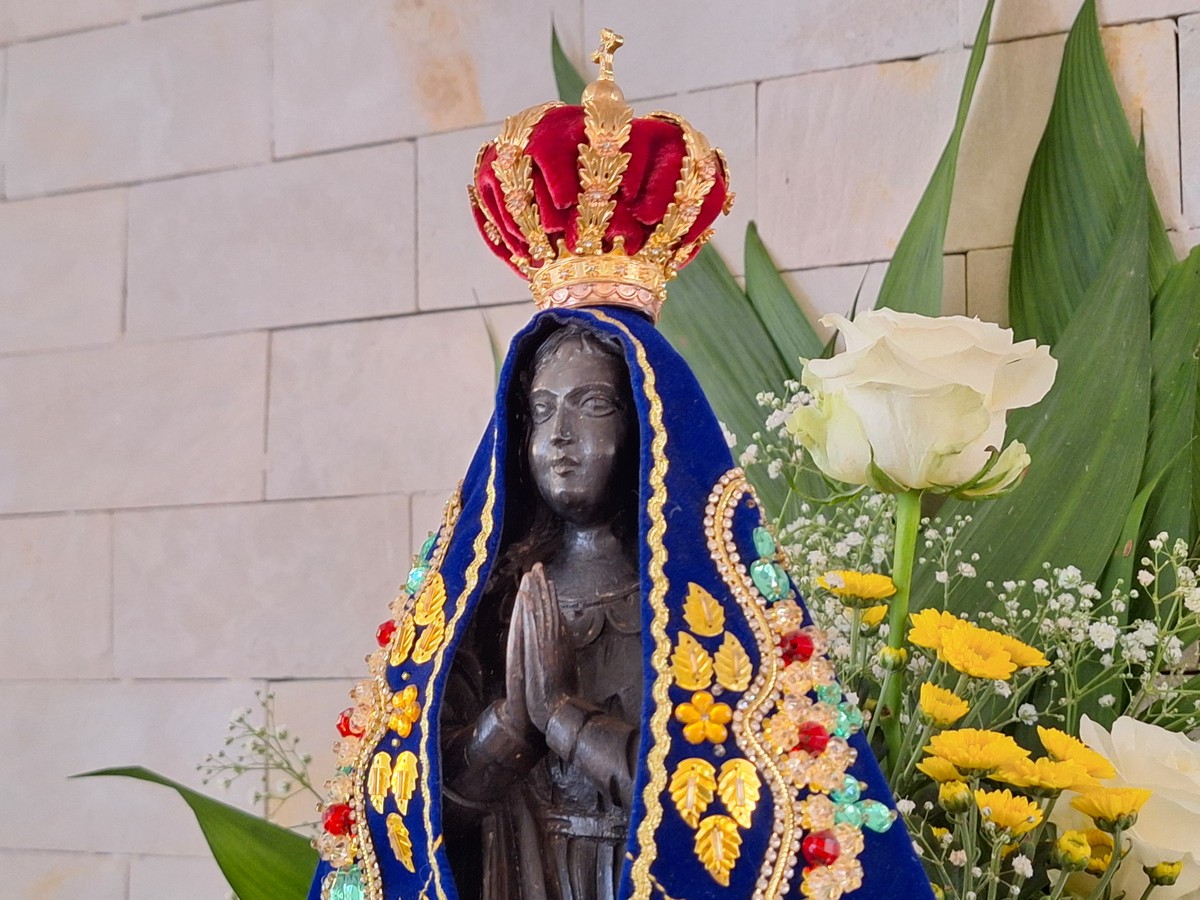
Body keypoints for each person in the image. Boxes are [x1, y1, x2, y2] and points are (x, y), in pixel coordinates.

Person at [308, 30, 934, 900]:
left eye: (592, 406)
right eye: (538, 413)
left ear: (646, 422)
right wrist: (507, 727)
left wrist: (566, 719)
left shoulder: (690, 596)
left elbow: (732, 815)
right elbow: (422, 807)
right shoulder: (490, 595)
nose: (559, 437)